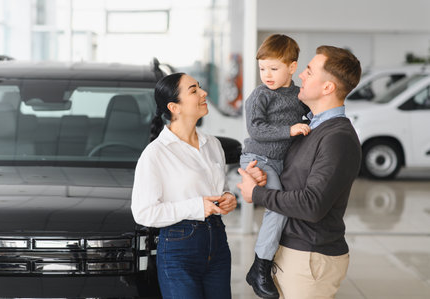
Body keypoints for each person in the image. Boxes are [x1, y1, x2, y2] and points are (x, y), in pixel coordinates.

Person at [237, 45, 362, 299]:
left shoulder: (338, 138)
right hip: (292, 253)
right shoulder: (309, 129)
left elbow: (312, 205)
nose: (301, 75)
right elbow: (294, 180)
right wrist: (263, 178)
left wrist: (258, 194)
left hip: (310, 258)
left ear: (328, 88)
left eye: (309, 70)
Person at [131, 72, 238, 299]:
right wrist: (197, 207)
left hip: (217, 241)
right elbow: (143, 212)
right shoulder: (156, 154)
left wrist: (227, 196)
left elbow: (220, 187)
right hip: (179, 249)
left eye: (199, 87)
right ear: (174, 107)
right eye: (194, 90)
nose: (203, 93)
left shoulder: (213, 144)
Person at [240, 34, 310, 299]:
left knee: (291, 206)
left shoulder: (297, 94)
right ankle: (261, 267)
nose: (266, 75)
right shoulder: (260, 95)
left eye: (274, 68)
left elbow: (311, 114)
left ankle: (271, 262)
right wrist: (290, 129)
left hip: (283, 162)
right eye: (262, 69)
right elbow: (255, 129)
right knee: (278, 209)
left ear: (292, 67)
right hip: (260, 159)